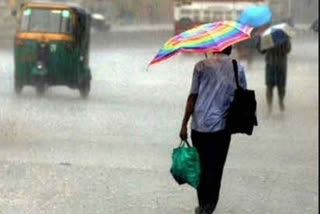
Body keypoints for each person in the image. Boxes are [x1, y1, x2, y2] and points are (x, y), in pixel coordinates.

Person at [179, 46, 247, 214]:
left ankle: (202, 204)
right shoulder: (237, 67)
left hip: (198, 126)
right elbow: (243, 93)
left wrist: (183, 124)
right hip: (222, 128)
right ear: (230, 48)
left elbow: (192, 96)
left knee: (201, 167)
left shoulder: (201, 66)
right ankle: (209, 207)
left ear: (214, 48)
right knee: (216, 168)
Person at [256, 38, 291, 112]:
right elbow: (262, 50)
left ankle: (276, 103)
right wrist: (259, 42)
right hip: (277, 65)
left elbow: (262, 51)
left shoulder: (270, 38)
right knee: (272, 86)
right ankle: (272, 105)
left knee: (276, 86)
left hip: (273, 64)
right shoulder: (283, 38)